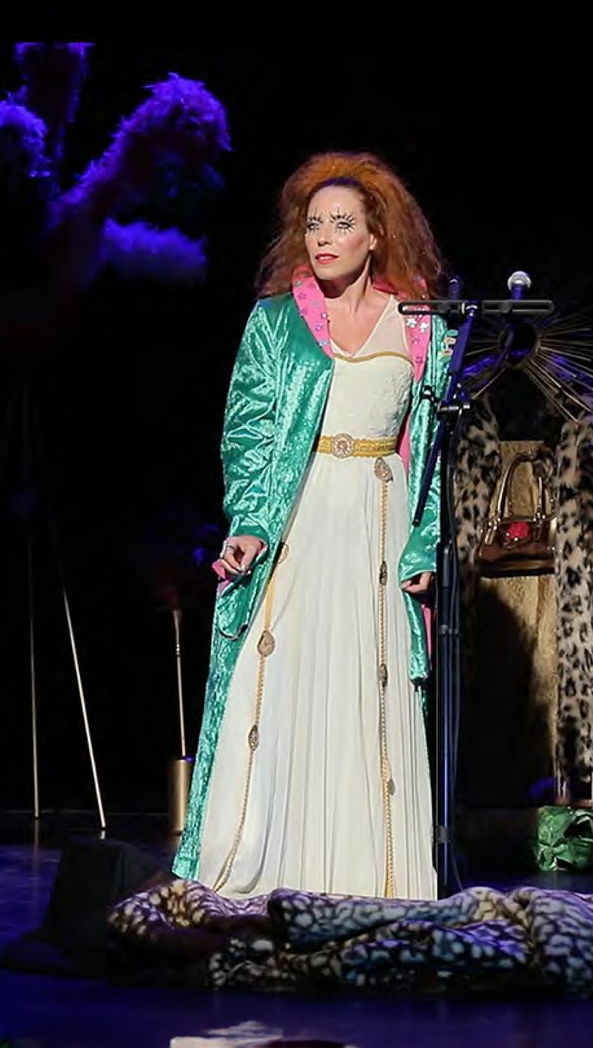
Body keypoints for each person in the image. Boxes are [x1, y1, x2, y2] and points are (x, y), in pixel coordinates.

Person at [172, 150, 453, 901]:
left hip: (378, 520)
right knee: (282, 681)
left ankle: (370, 875)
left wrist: (424, 542)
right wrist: (250, 522)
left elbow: (432, 450)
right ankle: (261, 862)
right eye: (314, 224)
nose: (324, 237)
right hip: (300, 515)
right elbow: (248, 430)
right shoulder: (277, 322)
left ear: (376, 235)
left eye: (342, 224)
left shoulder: (422, 326)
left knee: (368, 688)